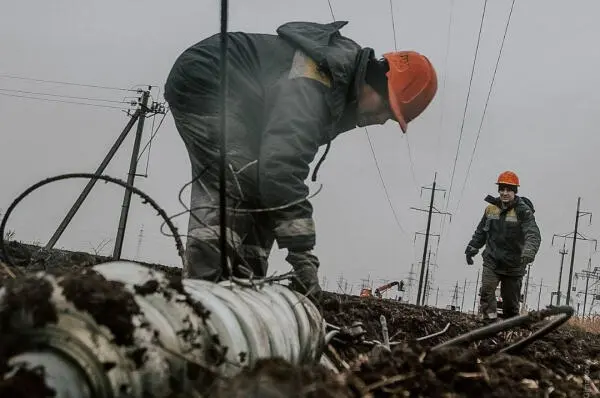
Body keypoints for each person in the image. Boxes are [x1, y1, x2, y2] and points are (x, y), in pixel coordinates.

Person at [164, 20, 438, 299]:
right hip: (209, 81)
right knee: (236, 180)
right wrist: (302, 257)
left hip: (247, 103)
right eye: (387, 110)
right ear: (376, 84)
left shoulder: (337, 93)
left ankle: (243, 291)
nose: (380, 122)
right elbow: (281, 169)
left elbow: (276, 179)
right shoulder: (315, 81)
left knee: (261, 190)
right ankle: (202, 295)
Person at [465, 171, 541, 320]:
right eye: (502, 189)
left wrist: (529, 251)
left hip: (514, 265)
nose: (505, 193)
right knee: (487, 293)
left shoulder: (523, 211)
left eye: (509, 190)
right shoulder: (491, 209)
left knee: (511, 307)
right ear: (499, 190)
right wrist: (472, 248)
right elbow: (481, 232)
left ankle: (509, 331)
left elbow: (533, 234)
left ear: (515, 192)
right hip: (492, 260)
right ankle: (489, 323)